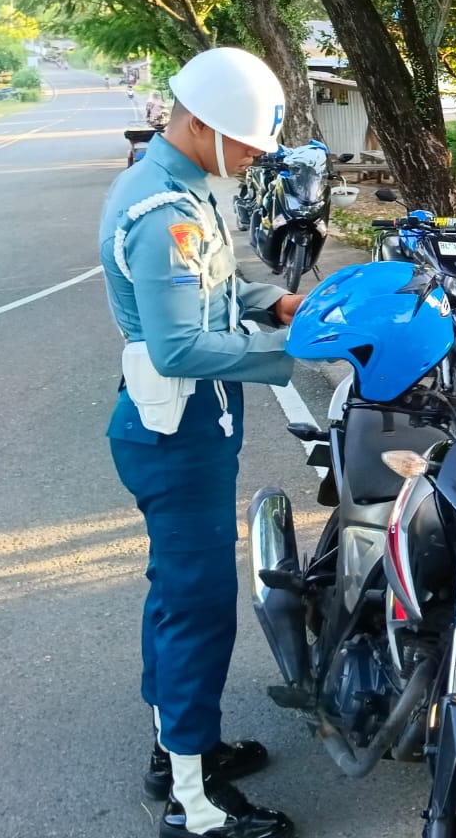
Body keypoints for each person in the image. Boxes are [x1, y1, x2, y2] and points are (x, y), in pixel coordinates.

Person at [98, 46, 301, 838]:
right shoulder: (166, 215)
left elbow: (214, 292)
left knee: (177, 597)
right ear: (200, 123)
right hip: (176, 432)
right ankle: (196, 804)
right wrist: (297, 355)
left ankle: (178, 749)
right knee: (198, 608)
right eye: (247, 143)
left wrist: (273, 301)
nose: (253, 158)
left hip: (187, 424)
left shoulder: (182, 184)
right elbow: (179, 346)